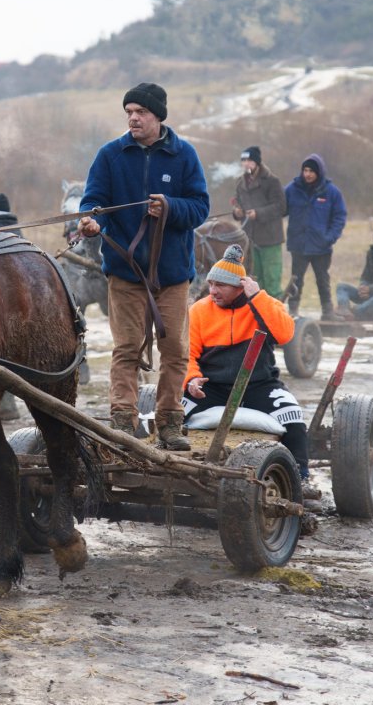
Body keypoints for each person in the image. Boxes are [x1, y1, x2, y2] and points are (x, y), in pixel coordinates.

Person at [78, 82, 210, 450]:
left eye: (140, 113)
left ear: (158, 116)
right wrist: (91, 222)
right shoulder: (110, 155)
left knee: (176, 352)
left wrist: (170, 207)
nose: (133, 118)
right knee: (126, 349)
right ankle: (123, 422)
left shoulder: (184, 156)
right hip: (126, 272)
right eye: (129, 113)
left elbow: (199, 207)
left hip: (172, 276)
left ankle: (170, 424)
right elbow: (95, 202)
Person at [184, 244, 311, 485]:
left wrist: (257, 297)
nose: (213, 290)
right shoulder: (199, 311)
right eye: (211, 284)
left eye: (220, 285)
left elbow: (285, 335)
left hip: (259, 385)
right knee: (170, 413)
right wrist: (191, 379)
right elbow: (186, 355)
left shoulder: (264, 304)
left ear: (240, 286)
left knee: (294, 418)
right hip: (211, 386)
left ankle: (301, 479)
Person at [284, 154, 347, 319]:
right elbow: (279, 208)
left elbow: (339, 217)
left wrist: (330, 237)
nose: (307, 174)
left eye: (311, 170)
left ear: (319, 172)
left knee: (322, 280)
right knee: (296, 281)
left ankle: (327, 312)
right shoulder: (292, 189)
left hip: (321, 246)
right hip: (298, 244)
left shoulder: (332, 192)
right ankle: (293, 312)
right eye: (305, 170)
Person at [231, 145, 286, 297]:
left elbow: (281, 207)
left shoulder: (272, 181)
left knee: (272, 282)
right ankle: (258, 317)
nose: (246, 164)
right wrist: (238, 212)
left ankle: (276, 317)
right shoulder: (240, 183)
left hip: (270, 239)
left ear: (257, 162)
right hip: (250, 240)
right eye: (243, 160)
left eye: (249, 160)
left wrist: (258, 213)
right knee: (255, 282)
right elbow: (238, 204)